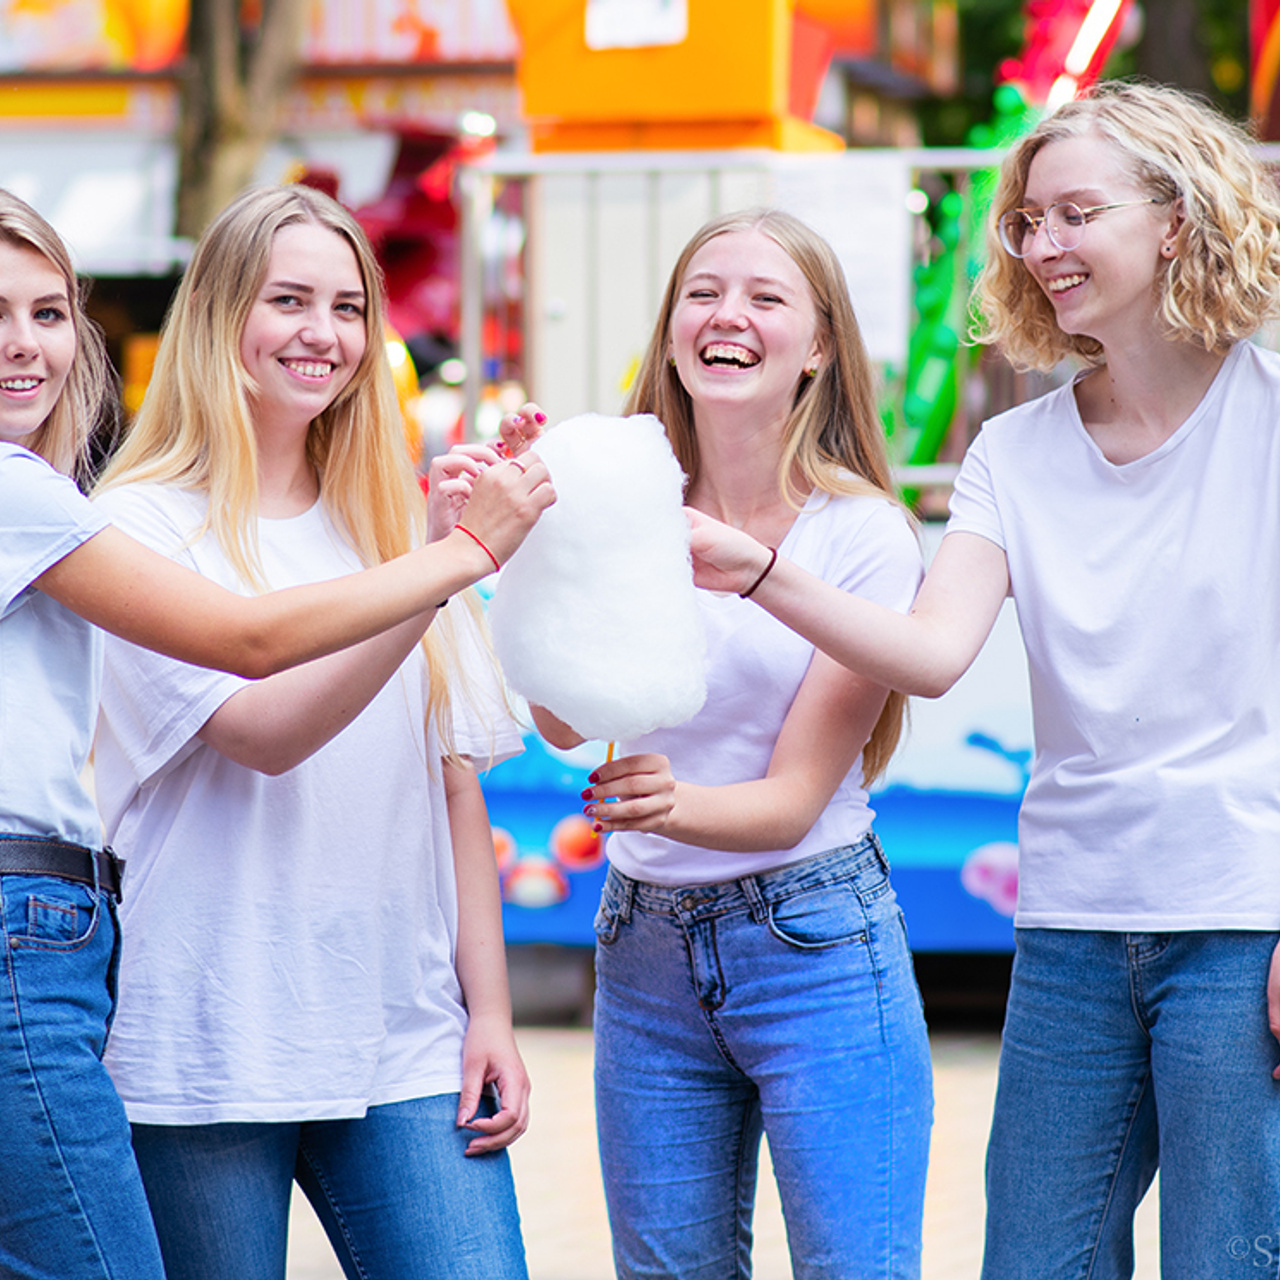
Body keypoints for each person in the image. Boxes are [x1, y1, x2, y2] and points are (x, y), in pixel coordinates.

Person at [688, 82, 1280, 1280]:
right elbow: (932, 653)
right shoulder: (1013, 450)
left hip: (1241, 914)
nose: (1042, 244)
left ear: (1173, 218)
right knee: (1031, 1259)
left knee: (1227, 1259)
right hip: (1069, 920)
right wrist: (760, 572)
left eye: (1074, 212)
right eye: (1026, 220)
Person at [0, 187, 550, 1280]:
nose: (323, 331)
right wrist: (449, 567)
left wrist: (485, 1008)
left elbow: (452, 788)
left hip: (401, 1033)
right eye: (288, 298)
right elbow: (261, 718)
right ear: (217, 318)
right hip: (205, 1029)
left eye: (348, 305)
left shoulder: (397, 522)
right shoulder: (130, 521)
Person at [531, 209, 932, 1280]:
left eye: (766, 298)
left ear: (819, 348)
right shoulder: (622, 501)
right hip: (644, 944)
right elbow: (563, 721)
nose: (727, 315)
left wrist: (660, 802)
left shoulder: (858, 536)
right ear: (669, 332)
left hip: (814, 941)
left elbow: (793, 797)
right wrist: (536, 538)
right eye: (703, 292)